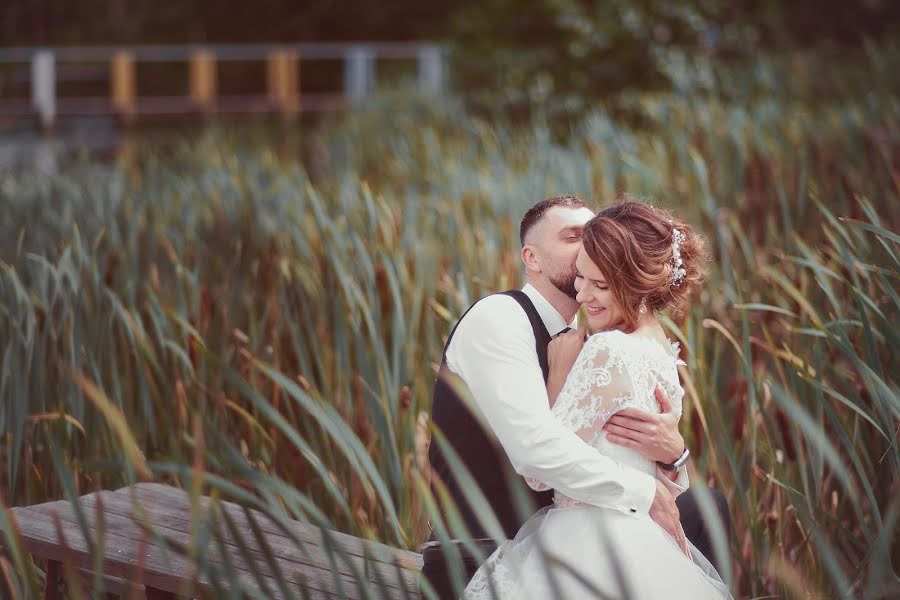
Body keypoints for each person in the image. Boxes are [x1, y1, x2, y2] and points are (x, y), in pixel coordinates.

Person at [420, 195, 730, 599]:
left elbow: (625, 451)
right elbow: (536, 452)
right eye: (574, 236)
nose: (589, 243)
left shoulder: (601, 343)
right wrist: (645, 492)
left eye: (595, 232)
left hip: (569, 542)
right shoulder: (500, 318)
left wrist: (674, 457)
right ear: (531, 257)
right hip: (481, 551)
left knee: (708, 507)